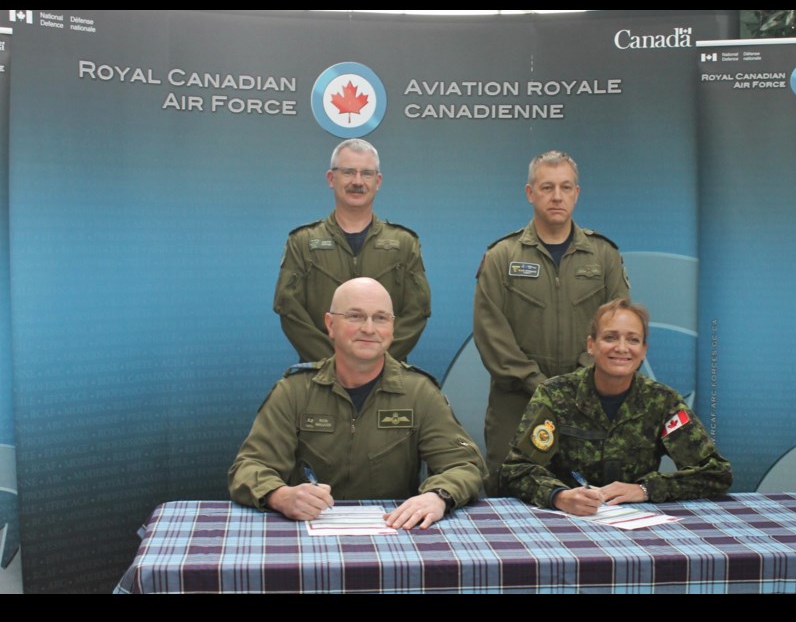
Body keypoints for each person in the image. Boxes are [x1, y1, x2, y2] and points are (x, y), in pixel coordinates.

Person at [230, 277, 485, 529]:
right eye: (355, 316)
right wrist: (280, 496)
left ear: (392, 327)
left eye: (381, 318)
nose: (369, 328)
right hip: (308, 534)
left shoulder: (418, 392)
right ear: (330, 324)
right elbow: (249, 467)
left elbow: (465, 465)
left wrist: (438, 496)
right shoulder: (295, 391)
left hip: (394, 531)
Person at [473, 150, 630, 495]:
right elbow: (490, 331)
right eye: (547, 187)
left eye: (565, 187)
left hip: (589, 402)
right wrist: (537, 384)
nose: (557, 196)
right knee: (510, 496)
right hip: (518, 403)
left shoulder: (604, 256)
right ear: (530, 193)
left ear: (577, 192)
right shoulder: (502, 256)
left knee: (593, 501)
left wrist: (579, 382)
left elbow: (618, 326)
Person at [500, 299, 732, 515]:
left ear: (643, 350)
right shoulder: (555, 395)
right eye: (610, 337)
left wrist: (645, 489)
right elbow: (516, 470)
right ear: (591, 345)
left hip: (639, 521)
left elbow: (716, 473)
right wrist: (558, 496)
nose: (622, 348)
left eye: (632, 340)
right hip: (566, 519)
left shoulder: (663, 402)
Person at [274, 138, 430, 363]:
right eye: (348, 172)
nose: (358, 181)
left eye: (366, 173)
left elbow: (417, 312)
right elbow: (290, 310)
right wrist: (337, 364)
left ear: (378, 181)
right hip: (320, 377)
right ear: (331, 178)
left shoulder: (404, 243)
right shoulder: (302, 242)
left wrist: (375, 362)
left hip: (386, 379)